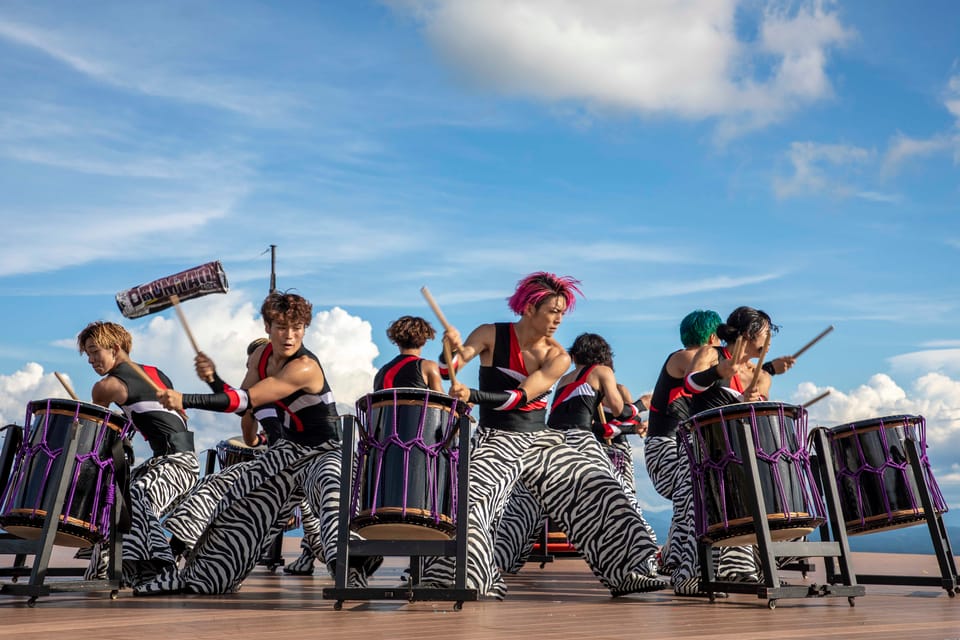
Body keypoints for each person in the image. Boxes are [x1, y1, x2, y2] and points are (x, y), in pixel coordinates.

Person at [420, 272, 666, 599]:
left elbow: (521, 396)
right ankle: (463, 578)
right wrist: (449, 351)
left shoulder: (557, 356)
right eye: (553, 311)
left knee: (602, 489)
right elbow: (447, 368)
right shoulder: (490, 333)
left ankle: (629, 573)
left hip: (542, 439)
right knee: (469, 499)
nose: (558, 319)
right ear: (529, 308)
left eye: (562, 312)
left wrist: (473, 395)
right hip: (496, 438)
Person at [136, 291, 379, 595]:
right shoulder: (261, 357)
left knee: (333, 501)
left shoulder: (304, 366)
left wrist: (184, 399)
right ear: (267, 327)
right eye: (281, 328)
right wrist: (212, 379)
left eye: (297, 328)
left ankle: (352, 570)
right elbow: (242, 405)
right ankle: (200, 578)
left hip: (326, 451)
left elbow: (247, 399)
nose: (289, 336)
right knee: (233, 503)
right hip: (287, 451)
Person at [494, 333, 659, 577]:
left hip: (549, 440)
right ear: (603, 354)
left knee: (528, 507)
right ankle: (643, 562)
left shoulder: (564, 379)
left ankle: (500, 562)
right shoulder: (602, 371)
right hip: (578, 440)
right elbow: (620, 411)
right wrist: (643, 404)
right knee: (621, 497)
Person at [76, 321, 199, 587]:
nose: (91, 360)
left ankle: (160, 571)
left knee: (133, 499)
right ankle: (105, 571)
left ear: (114, 348)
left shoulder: (106, 386)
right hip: (180, 462)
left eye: (95, 351)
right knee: (113, 497)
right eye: (88, 354)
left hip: (176, 466)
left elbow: (97, 435)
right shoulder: (155, 373)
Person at [682, 306, 794, 586]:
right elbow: (690, 385)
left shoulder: (760, 375)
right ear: (748, 334)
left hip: (741, 451)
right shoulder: (712, 354)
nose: (770, 341)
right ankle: (721, 571)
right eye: (767, 333)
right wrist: (717, 371)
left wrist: (750, 402)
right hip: (706, 449)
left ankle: (757, 567)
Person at [374, 316, 444, 392]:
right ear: (424, 341)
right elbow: (442, 399)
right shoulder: (428, 366)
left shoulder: (380, 374)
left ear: (397, 341)